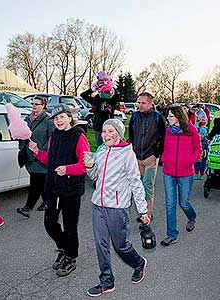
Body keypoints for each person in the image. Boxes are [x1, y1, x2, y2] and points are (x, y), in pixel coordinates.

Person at [85, 118, 150, 297]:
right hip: (98, 204)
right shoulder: (100, 150)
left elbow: (135, 182)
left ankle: (138, 263)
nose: (106, 135)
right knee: (101, 244)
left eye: (110, 131)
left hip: (117, 207)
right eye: (104, 131)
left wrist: (143, 209)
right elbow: (95, 176)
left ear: (119, 134)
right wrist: (88, 166)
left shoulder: (126, 153)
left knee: (120, 246)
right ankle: (107, 281)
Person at [29, 104, 90, 277]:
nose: (58, 121)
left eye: (61, 117)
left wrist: (68, 169)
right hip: (53, 188)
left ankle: (71, 257)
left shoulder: (79, 136)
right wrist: (37, 152)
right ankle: (64, 248)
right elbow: (50, 159)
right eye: (55, 118)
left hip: (71, 189)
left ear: (70, 117)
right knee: (49, 223)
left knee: (70, 226)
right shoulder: (54, 136)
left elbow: (84, 164)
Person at [160, 105, 201, 246]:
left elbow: (198, 150)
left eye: (170, 116)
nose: (167, 118)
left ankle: (192, 217)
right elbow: (164, 147)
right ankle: (172, 234)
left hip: (185, 173)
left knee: (183, 202)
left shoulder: (192, 131)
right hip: (169, 173)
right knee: (170, 204)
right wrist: (165, 158)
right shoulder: (168, 131)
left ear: (178, 117)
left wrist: (189, 161)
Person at [128, 92, 166, 220]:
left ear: (150, 104)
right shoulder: (134, 116)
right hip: (137, 158)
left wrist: (155, 155)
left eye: (143, 103)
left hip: (150, 158)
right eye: (139, 102)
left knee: (148, 186)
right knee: (138, 186)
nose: (140, 105)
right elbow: (131, 136)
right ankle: (142, 212)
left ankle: (148, 214)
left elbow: (163, 138)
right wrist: (131, 152)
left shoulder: (158, 117)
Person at [16, 96, 54, 217]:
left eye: (37, 104)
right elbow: (22, 135)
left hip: (41, 156)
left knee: (35, 183)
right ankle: (48, 202)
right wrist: (21, 144)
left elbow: (51, 139)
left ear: (43, 106)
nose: (34, 106)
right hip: (29, 155)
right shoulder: (27, 119)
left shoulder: (48, 120)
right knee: (40, 182)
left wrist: (40, 151)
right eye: (33, 103)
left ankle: (28, 207)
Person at [80, 71, 119, 146]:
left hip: (109, 125)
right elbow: (83, 95)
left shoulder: (111, 100)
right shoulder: (96, 99)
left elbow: (117, 95)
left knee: (110, 146)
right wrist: (93, 89)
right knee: (100, 147)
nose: (103, 92)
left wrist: (109, 84)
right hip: (98, 126)